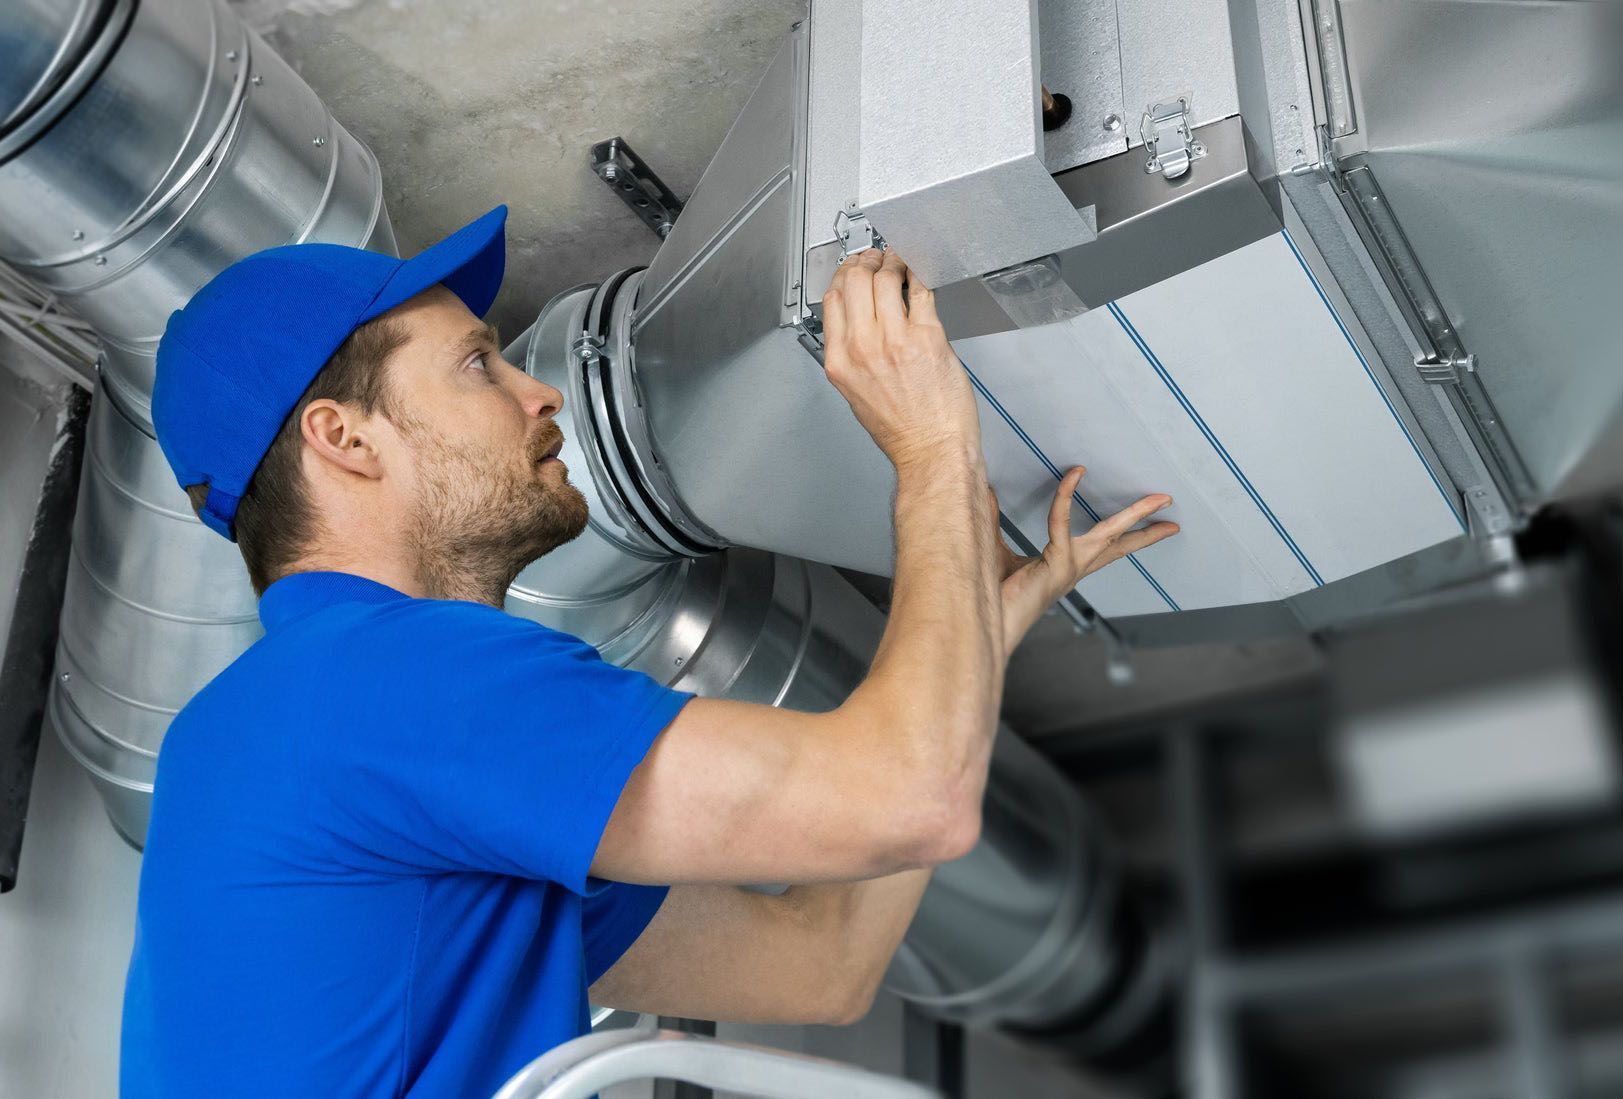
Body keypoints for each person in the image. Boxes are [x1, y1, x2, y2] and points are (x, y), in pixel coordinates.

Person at [121, 205, 1177, 1097]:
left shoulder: (280, 734)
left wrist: (977, 626)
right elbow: (914, 802)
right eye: (477, 364)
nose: (538, 393)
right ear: (344, 439)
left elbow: (825, 963)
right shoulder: (383, 684)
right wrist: (933, 446)